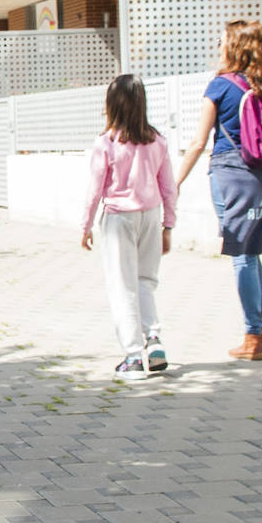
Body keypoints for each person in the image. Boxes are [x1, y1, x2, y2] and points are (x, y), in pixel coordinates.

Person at [175, 20, 262, 360]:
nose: (219, 45)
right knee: (255, 249)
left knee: (243, 254)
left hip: (232, 173)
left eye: (223, 41)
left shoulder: (219, 86)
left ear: (233, 46)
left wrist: (173, 183)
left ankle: (253, 337)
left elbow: (198, 142)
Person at [80, 74, 177, 379]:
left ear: (112, 105)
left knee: (122, 286)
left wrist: (85, 225)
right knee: (146, 281)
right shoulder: (157, 141)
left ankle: (133, 357)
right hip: (150, 215)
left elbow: (95, 189)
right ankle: (154, 342)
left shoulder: (106, 143)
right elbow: (169, 187)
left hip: (119, 218)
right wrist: (168, 225)